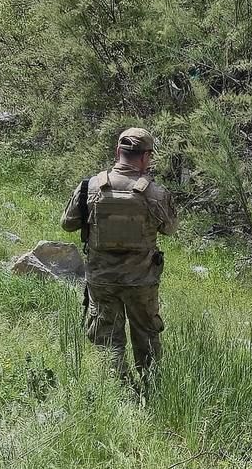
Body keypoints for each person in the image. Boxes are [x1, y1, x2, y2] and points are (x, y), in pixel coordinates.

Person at [61, 127, 177, 384]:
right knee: (146, 335)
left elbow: (68, 223)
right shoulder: (156, 194)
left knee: (108, 339)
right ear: (146, 157)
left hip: (102, 280)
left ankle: (118, 390)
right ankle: (152, 388)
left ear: (117, 152)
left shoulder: (89, 187)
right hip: (141, 281)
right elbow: (170, 229)